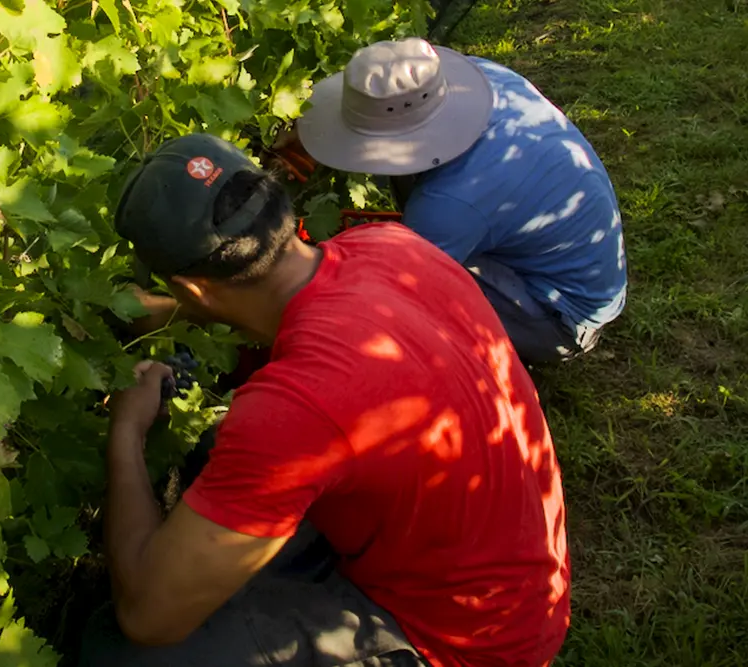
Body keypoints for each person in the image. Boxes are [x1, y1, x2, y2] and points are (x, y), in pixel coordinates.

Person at [79, 133, 571, 667]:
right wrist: (164, 311)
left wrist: (126, 433)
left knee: (121, 649)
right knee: (225, 458)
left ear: (191, 287)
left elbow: (148, 617)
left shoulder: (294, 411)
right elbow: (263, 297)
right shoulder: (390, 246)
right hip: (510, 581)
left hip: (466, 646)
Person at [285, 37, 627, 365]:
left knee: (403, 295)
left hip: (561, 318)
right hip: (583, 269)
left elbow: (396, 292)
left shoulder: (451, 202)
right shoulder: (483, 79)